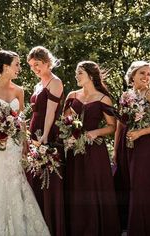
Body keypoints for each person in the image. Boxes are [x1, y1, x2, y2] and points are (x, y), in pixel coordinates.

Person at [0, 50, 50, 235]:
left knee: (16, 179)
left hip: (15, 144)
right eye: (17, 64)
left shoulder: (19, 90)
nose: (20, 68)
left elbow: (22, 119)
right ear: (5, 67)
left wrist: (25, 143)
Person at [114, 61, 150, 235]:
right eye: (142, 73)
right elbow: (119, 124)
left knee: (142, 185)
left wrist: (140, 133)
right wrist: (116, 150)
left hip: (143, 145)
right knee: (128, 182)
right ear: (132, 75)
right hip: (126, 144)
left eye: (149, 74)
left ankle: (144, 228)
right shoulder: (125, 95)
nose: (146, 77)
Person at [63, 60, 121, 236]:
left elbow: (113, 127)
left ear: (90, 75)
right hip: (75, 149)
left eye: (79, 73)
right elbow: (65, 120)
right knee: (76, 185)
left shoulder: (103, 98)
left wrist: (96, 132)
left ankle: (97, 229)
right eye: (76, 73)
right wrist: (70, 133)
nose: (76, 76)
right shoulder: (72, 95)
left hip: (95, 149)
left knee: (93, 186)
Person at [27, 46, 65, 236]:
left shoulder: (55, 82)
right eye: (32, 66)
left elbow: (51, 112)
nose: (35, 68)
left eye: (38, 64)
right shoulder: (38, 85)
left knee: (48, 175)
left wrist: (45, 136)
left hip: (48, 132)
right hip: (34, 131)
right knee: (35, 175)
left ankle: (51, 222)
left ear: (48, 63)